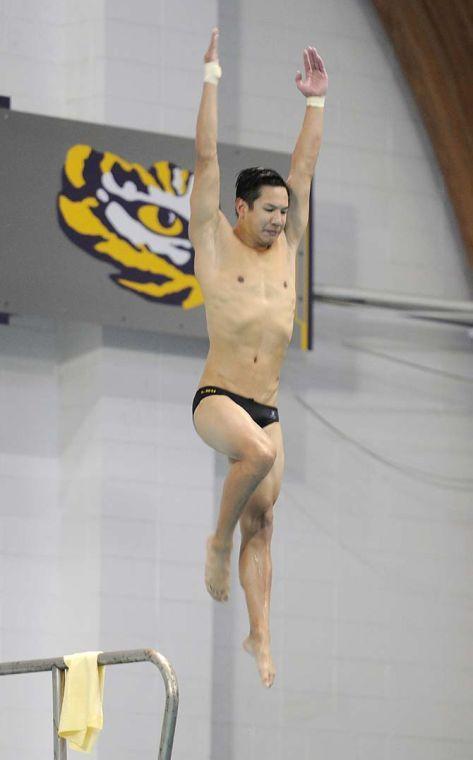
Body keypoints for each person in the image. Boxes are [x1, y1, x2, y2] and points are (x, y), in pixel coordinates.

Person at [190, 27, 328, 688]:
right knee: (260, 456)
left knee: (266, 522)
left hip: (265, 404)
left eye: (283, 212)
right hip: (216, 399)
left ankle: (259, 636)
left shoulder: (287, 246)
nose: (278, 219)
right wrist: (211, 77)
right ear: (239, 209)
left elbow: (302, 172)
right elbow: (207, 157)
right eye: (267, 210)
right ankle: (215, 546)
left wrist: (316, 104)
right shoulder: (215, 240)